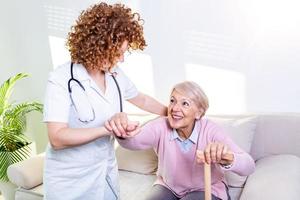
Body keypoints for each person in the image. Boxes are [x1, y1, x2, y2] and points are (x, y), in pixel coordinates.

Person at [43, 2, 166, 200]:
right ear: (98, 45)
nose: (122, 59)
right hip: (69, 181)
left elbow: (141, 99)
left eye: (124, 52)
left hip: (104, 173)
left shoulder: (115, 74)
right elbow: (57, 138)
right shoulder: (61, 79)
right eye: (118, 52)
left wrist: (171, 111)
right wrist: (109, 129)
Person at [106, 81, 255, 200]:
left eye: (185, 103)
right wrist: (122, 130)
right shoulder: (161, 125)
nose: (175, 108)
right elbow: (133, 142)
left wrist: (227, 158)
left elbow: (249, 166)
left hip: (205, 189)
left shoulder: (211, 130)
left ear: (199, 112)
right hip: (169, 186)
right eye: (172, 101)